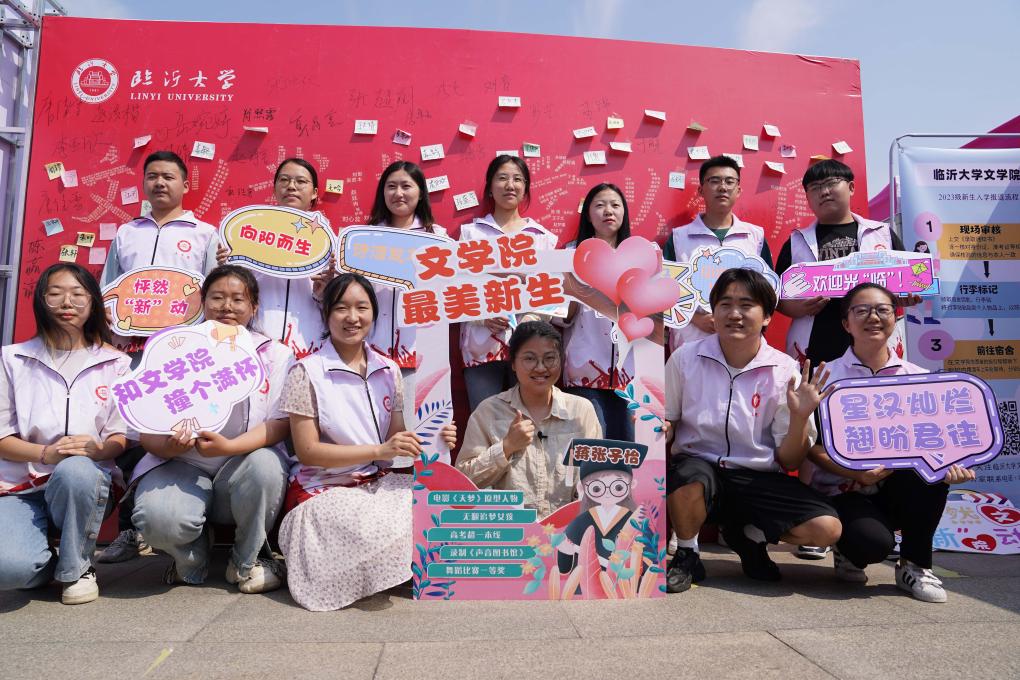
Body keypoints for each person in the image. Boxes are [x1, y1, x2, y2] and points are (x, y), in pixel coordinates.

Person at [277, 273, 456, 611]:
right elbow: (308, 451)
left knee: (433, 504)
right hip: (323, 490)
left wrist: (437, 438)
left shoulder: (388, 370)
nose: (352, 317)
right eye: (341, 308)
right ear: (326, 314)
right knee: (365, 525)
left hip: (376, 484)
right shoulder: (306, 372)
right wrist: (378, 451)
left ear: (375, 313)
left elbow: (396, 441)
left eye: (362, 307)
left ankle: (385, 568)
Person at [664, 268, 838, 593]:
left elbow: (790, 460)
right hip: (701, 470)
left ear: (767, 316)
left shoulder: (785, 370)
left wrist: (800, 418)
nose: (735, 314)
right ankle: (687, 553)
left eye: (746, 305)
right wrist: (661, 426)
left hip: (758, 477)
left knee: (826, 529)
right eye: (725, 304)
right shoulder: (685, 358)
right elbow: (668, 418)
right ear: (713, 311)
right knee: (687, 476)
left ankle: (748, 536)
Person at [803, 282, 974, 602]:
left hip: (896, 487)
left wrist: (951, 464)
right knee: (870, 544)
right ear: (846, 323)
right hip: (843, 491)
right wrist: (855, 472)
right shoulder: (826, 377)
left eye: (883, 310)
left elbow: (935, 443)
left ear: (896, 318)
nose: (874, 317)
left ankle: (915, 564)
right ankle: (847, 549)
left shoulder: (918, 377)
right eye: (862, 310)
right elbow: (810, 448)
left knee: (932, 473)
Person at [131, 265, 293, 593]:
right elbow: (147, 431)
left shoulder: (275, 354)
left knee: (265, 466)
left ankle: (246, 560)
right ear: (203, 303)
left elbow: (279, 424)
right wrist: (170, 447)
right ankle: (191, 558)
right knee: (158, 519)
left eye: (238, 299)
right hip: (182, 464)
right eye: (217, 298)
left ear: (254, 307)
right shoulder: (172, 349)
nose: (227, 307)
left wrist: (229, 448)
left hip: (242, 466)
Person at [98, 149, 220, 564]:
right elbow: (108, 290)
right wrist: (107, 325)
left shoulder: (205, 234)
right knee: (130, 433)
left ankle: (187, 525)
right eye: (152, 176)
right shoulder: (125, 233)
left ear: (185, 185)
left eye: (168, 176)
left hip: (180, 357)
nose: (160, 183)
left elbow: (213, 294)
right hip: (130, 353)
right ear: (144, 184)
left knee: (174, 433)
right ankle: (130, 531)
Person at [0, 264, 130, 604]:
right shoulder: (12, 359)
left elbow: (120, 435)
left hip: (85, 483)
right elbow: (1, 437)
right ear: (41, 301)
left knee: (76, 469)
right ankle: (44, 564)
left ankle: (78, 569)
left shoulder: (116, 364)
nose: (66, 302)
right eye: (55, 293)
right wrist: (45, 454)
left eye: (77, 294)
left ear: (93, 301)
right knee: (9, 570)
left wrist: (99, 450)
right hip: (20, 487)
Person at [457, 321, 603, 517]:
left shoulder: (581, 410)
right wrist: (506, 447)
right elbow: (462, 484)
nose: (540, 368)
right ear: (513, 363)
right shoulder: (489, 412)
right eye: (529, 358)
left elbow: (599, 476)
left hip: (567, 530)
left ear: (561, 360)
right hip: (512, 531)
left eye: (550, 358)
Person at [775, 159, 910, 367]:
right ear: (807, 198)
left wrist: (905, 296)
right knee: (817, 388)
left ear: (851, 187)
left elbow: (908, 280)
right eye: (815, 187)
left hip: (875, 339)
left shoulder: (882, 234)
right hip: (816, 345)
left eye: (831, 183)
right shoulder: (796, 242)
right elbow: (776, 297)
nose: (824, 192)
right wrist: (796, 308)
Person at [459, 155, 559, 411]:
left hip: (531, 349)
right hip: (482, 346)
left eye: (517, 179)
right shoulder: (471, 234)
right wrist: (482, 316)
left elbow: (552, 296)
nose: (510, 185)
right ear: (490, 187)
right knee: (484, 421)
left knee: (529, 419)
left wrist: (530, 322)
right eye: (502, 178)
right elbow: (456, 289)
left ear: (525, 188)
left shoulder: (542, 238)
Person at [217, 158, 334, 358]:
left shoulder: (329, 242)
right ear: (275, 188)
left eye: (300, 181)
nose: (291, 186)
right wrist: (226, 269)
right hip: (256, 341)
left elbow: (339, 304)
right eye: (284, 180)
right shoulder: (248, 230)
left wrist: (324, 292)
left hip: (308, 343)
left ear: (314, 192)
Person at [663, 155, 773, 353]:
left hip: (743, 343)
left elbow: (768, 291)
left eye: (729, 181)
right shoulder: (679, 238)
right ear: (701, 190)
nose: (722, 187)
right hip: (691, 341)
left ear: (738, 190)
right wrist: (695, 318)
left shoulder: (755, 237)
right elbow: (662, 290)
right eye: (714, 181)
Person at [560, 183, 635, 441]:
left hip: (630, 372)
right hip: (584, 367)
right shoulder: (569, 255)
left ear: (624, 212)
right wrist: (575, 292)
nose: (608, 211)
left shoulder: (642, 255)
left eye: (615, 205)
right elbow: (561, 314)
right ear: (588, 215)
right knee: (591, 443)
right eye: (600, 205)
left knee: (627, 445)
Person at [366, 161, 448, 370]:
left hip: (422, 350)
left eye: (406, 186)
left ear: (420, 193)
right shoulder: (366, 237)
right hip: (373, 349)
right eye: (391, 186)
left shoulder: (438, 237)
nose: (398, 193)